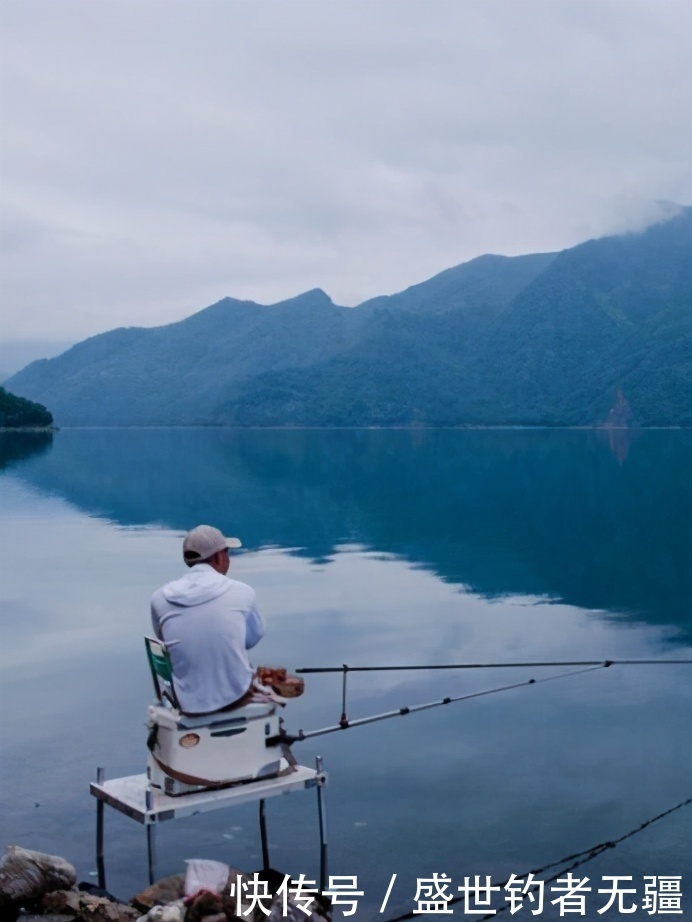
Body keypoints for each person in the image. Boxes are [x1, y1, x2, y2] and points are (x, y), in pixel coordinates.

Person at [150, 524, 264, 715]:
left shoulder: (159, 599)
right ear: (220, 556)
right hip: (236, 695)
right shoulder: (243, 592)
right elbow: (252, 639)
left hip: (187, 703)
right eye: (227, 553)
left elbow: (165, 642)